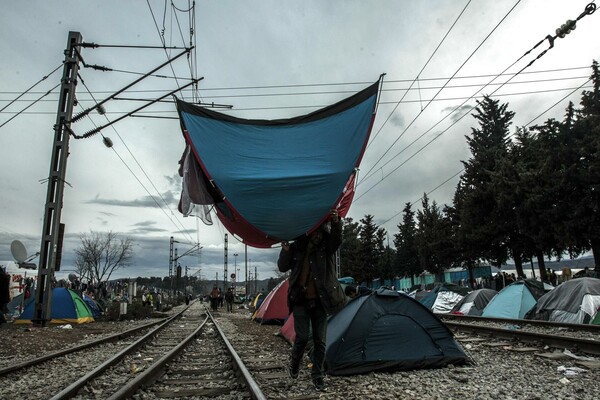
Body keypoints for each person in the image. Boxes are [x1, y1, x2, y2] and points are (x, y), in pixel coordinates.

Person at [278, 209, 346, 392]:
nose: (316, 233)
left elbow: (337, 240)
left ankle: (317, 377)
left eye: (319, 229)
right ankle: (294, 367)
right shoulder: (297, 245)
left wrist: (336, 221)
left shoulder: (327, 244)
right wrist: (284, 251)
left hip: (321, 300)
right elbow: (282, 266)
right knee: (301, 337)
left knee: (320, 341)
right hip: (300, 299)